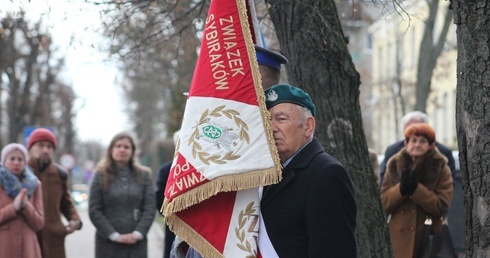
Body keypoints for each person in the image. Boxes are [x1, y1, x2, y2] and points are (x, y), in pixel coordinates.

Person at [259, 84, 357, 257]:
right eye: (267, 120)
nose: (271, 128)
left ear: (308, 126)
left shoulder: (327, 174)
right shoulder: (265, 174)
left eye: (281, 119)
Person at [380, 123, 453, 258]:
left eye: (423, 141)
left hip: (426, 237)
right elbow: (383, 204)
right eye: (413, 140)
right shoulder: (394, 165)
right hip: (397, 238)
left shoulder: (441, 168)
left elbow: (442, 206)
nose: (417, 144)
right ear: (406, 143)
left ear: (431, 145)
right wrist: (400, 190)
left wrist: (417, 190)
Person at [89, 132, 156, 258]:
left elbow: (149, 208)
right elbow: (94, 210)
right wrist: (114, 235)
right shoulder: (100, 175)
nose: (122, 150)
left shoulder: (144, 175)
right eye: (118, 146)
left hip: (136, 244)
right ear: (111, 149)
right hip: (108, 243)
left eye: (126, 147)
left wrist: (137, 233)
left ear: (132, 151)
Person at [27, 128, 82, 258]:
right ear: (30, 147)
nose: (45, 150)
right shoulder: (20, 172)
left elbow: (66, 202)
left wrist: (75, 220)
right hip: (28, 237)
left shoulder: (59, 173)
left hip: (54, 239)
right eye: (41, 145)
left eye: (49, 146)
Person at [379, 111, 455, 186]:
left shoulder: (443, 152)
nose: (417, 145)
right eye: (408, 128)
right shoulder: (392, 151)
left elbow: (449, 185)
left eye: (417, 128)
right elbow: (383, 183)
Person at [0, 143, 45, 258]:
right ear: (4, 161)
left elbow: (39, 223)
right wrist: (13, 208)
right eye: (12, 158)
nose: (16, 162)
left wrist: (25, 206)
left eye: (20, 159)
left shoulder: (35, 184)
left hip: (28, 250)